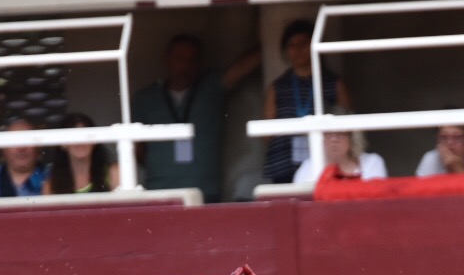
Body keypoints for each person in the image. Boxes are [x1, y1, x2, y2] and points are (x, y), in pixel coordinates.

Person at [132, 33, 261, 202]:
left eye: (192, 59)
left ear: (200, 62)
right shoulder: (145, 98)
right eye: (180, 58)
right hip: (159, 191)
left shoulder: (211, 87)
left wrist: (272, 37)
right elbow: (137, 149)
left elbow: (242, 67)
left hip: (205, 191)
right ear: (166, 58)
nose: (185, 65)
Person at [262, 19, 351, 185]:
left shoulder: (334, 83)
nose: (298, 50)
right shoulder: (277, 87)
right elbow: (267, 135)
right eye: (292, 45)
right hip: (284, 164)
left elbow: (347, 127)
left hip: (324, 163)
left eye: (303, 43)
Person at [45, 111, 114, 195]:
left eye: (85, 136)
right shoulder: (51, 186)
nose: (80, 142)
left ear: (94, 141)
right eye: (74, 137)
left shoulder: (112, 174)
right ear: (62, 144)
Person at [293, 130, 387, 184]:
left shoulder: (372, 162)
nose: (334, 139)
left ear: (352, 139)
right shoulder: (308, 166)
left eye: (340, 134)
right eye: (328, 135)